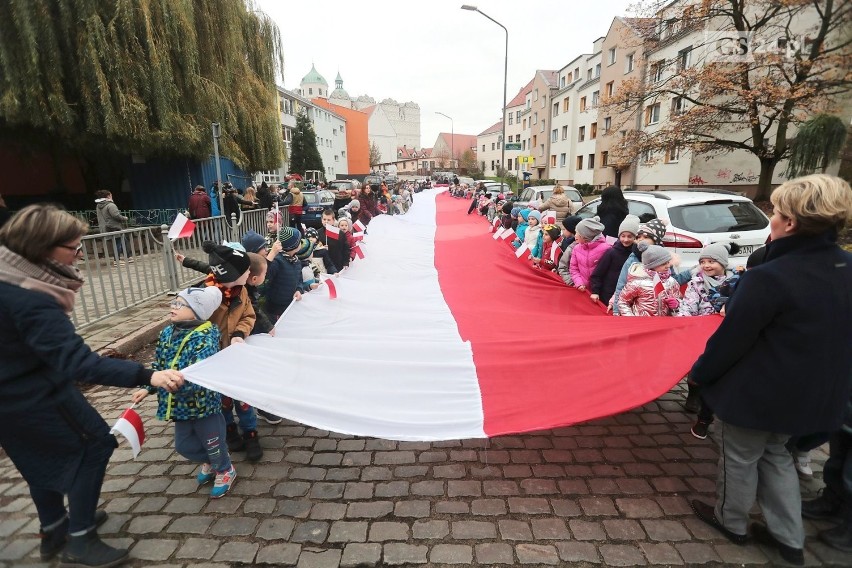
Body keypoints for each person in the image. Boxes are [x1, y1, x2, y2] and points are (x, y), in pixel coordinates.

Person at [0, 205, 184, 567]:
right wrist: (147, 376)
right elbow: (79, 363)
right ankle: (80, 539)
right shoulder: (33, 301)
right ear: (43, 248)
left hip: (11, 396)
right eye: (73, 248)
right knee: (95, 447)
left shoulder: (9, 278)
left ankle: (53, 527)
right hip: (37, 394)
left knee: (38, 459)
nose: (80, 255)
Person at [689, 174, 852, 566]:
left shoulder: (768, 277)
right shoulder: (846, 267)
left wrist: (700, 375)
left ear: (791, 223)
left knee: (740, 457)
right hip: (812, 393)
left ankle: (731, 521)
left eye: (776, 212)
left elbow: (731, 340)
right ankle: (789, 538)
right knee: (777, 454)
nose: (772, 219)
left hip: (756, 393)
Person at [130, 286, 237, 498]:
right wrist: (148, 386)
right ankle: (212, 461)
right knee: (184, 446)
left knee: (214, 442)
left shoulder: (205, 336)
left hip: (203, 404)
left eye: (180, 304)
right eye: (174, 302)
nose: (173, 307)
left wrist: (176, 384)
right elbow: (159, 363)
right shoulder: (168, 332)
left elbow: (201, 371)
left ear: (197, 311)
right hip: (179, 406)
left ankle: (224, 469)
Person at [200, 241, 264, 462]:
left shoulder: (242, 292)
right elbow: (195, 325)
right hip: (216, 358)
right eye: (246, 270)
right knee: (223, 399)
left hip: (238, 356)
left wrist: (239, 332)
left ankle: (251, 433)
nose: (249, 273)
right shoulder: (206, 297)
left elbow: (249, 316)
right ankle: (228, 430)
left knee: (244, 398)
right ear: (231, 274)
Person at [616, 245, 682, 316]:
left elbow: (678, 298)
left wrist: (677, 304)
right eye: (663, 264)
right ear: (652, 265)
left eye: (668, 262)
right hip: (643, 324)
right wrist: (631, 318)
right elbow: (623, 301)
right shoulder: (638, 282)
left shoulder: (671, 282)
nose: (668, 266)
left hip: (664, 323)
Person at [589, 215, 639, 306]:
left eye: (630, 236)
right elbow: (597, 274)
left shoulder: (638, 253)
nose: (626, 239)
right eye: (623, 236)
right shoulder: (612, 252)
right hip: (608, 294)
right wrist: (595, 291)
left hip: (629, 296)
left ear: (635, 237)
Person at [569, 216, 610, 292]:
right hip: (583, 290)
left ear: (585, 236)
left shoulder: (606, 249)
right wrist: (579, 283)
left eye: (577, 233)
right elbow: (573, 268)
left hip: (599, 292)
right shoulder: (576, 248)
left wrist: (597, 290)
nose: (575, 235)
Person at [95, 189, 133, 265]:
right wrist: (124, 218)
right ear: (108, 196)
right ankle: (117, 260)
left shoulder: (98, 206)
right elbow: (116, 215)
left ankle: (128, 256)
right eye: (111, 195)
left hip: (105, 227)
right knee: (117, 243)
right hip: (114, 227)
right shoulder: (110, 205)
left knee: (124, 240)